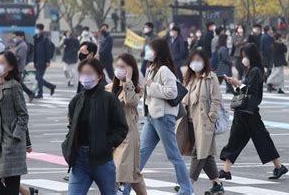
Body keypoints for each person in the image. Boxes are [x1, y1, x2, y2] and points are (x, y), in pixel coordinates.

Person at [220, 43, 288, 180]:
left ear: (251, 56)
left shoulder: (255, 71)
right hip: (243, 112)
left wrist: (238, 84)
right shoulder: (250, 70)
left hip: (250, 113)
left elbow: (252, 91)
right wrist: (235, 84)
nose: (243, 58)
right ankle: (226, 170)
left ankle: (279, 167)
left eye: (245, 55)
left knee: (262, 140)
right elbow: (244, 90)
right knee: (235, 140)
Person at [64, 59, 128, 194]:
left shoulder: (109, 99)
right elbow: (71, 127)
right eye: (83, 73)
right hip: (79, 160)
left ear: (99, 76)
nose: (85, 77)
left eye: (89, 73)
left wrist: (107, 145)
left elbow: (121, 128)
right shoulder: (76, 100)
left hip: (102, 160)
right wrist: (68, 145)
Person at [140, 38, 194, 194]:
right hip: (151, 116)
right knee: (141, 153)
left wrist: (152, 85)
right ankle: (125, 187)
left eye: (151, 49)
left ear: (158, 51)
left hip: (163, 117)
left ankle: (187, 189)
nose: (148, 52)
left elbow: (172, 92)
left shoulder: (164, 70)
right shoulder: (150, 68)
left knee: (174, 155)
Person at [0, 51, 30, 194]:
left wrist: (15, 136)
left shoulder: (14, 86)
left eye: (2, 63)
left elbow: (23, 115)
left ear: (10, 67)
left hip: (12, 142)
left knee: (11, 183)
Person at [182, 49, 225, 194]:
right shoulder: (189, 78)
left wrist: (211, 117)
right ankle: (217, 184)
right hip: (189, 122)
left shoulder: (210, 77)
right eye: (193, 60)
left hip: (204, 122)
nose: (196, 63)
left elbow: (216, 98)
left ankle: (188, 184)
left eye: (199, 60)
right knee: (205, 154)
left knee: (198, 152)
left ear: (205, 62)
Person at [105, 54, 147, 195]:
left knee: (119, 174)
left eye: (123, 67)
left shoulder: (136, 88)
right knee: (134, 177)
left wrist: (128, 80)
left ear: (131, 69)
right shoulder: (110, 87)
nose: (119, 70)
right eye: (118, 66)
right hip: (112, 137)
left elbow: (131, 102)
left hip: (127, 138)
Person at [33, 24, 56, 99]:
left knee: (39, 77)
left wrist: (47, 61)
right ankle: (51, 86)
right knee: (38, 77)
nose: (36, 30)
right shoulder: (35, 38)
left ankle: (40, 93)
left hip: (43, 61)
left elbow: (47, 51)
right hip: (37, 61)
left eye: (38, 29)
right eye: (36, 28)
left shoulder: (45, 39)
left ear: (41, 30)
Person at [10, 31, 34, 102]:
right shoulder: (19, 44)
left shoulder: (23, 45)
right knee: (17, 83)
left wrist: (13, 53)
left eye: (17, 37)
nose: (16, 38)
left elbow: (19, 57)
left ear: (22, 37)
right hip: (16, 67)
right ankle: (29, 93)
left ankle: (29, 93)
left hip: (18, 68)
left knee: (18, 83)